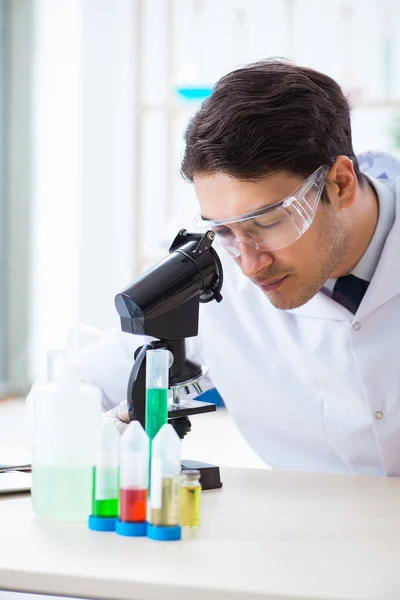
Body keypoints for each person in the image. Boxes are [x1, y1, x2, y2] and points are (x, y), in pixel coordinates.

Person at [38, 60, 400, 476]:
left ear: (339, 184)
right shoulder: (210, 279)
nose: (248, 264)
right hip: (303, 531)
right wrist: (103, 443)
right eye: (224, 231)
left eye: (267, 223)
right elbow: (76, 390)